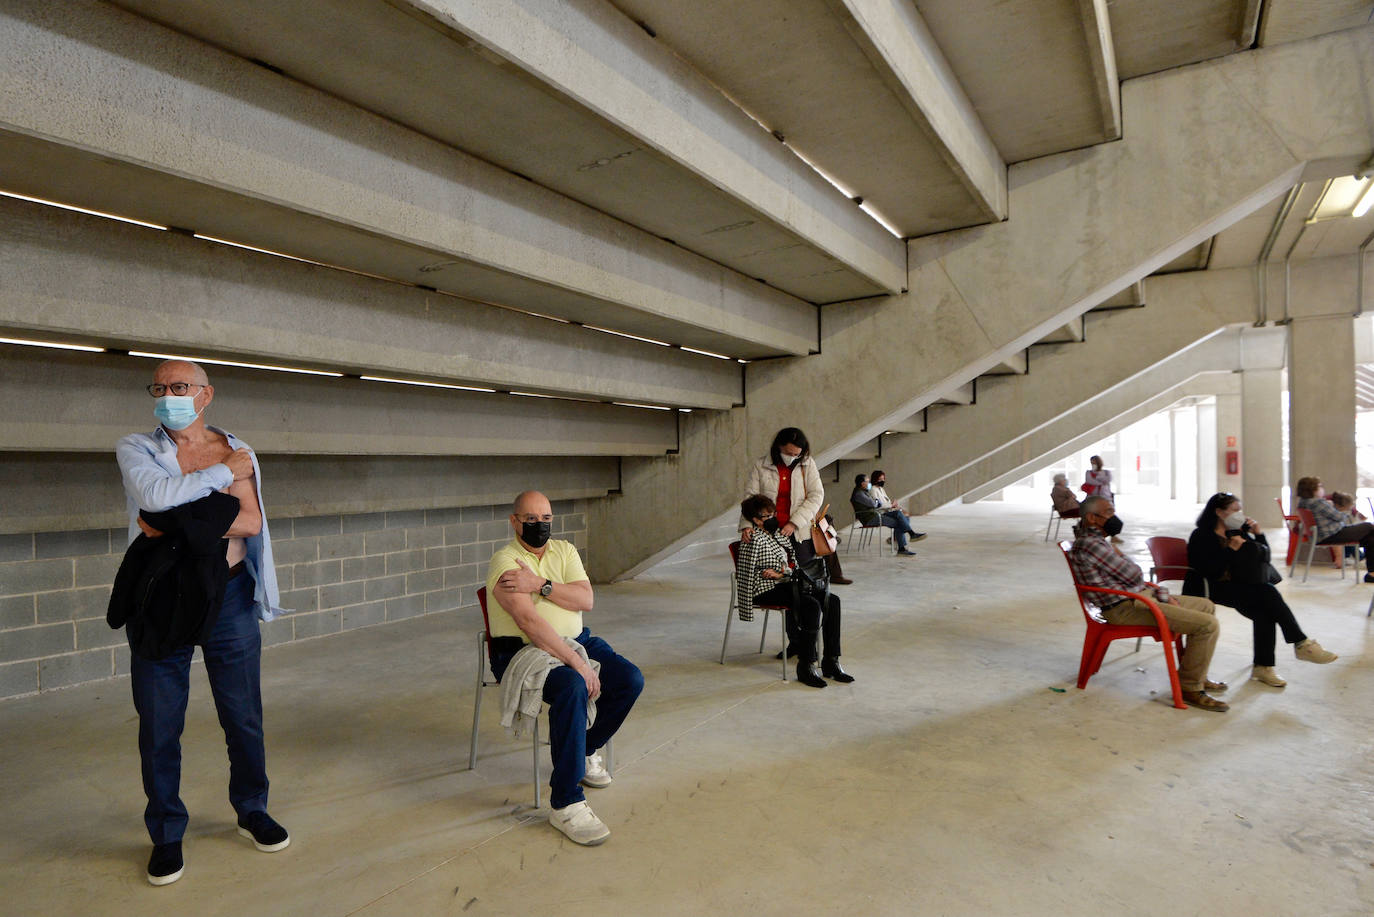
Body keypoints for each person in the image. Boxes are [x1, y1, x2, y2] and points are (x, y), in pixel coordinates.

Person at [115, 360, 288, 886]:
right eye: (161, 387)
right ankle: (166, 833)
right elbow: (155, 503)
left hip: (229, 596)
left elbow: (251, 521)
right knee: (160, 724)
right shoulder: (136, 448)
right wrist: (216, 484)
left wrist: (180, 519)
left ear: (205, 395)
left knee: (243, 714)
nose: (170, 395)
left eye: (181, 386)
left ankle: (251, 807)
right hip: (161, 600)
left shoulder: (239, 449)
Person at [485, 491, 644, 846]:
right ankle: (565, 801)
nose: (539, 526)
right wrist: (576, 664)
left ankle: (583, 748)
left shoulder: (565, 551)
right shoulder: (505, 561)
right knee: (573, 686)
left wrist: (540, 585)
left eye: (545, 519)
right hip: (524, 650)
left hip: (578, 640)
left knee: (630, 679)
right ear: (514, 522)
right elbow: (528, 621)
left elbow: (586, 599)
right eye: (530, 519)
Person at [1068, 496, 1229, 712]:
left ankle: (1195, 674)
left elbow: (1132, 580)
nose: (1114, 517)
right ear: (1091, 518)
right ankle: (1190, 687)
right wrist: (1125, 561)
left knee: (1206, 605)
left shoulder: (1098, 542)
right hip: (1124, 608)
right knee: (1207, 625)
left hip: (1136, 598)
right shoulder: (1091, 545)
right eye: (1108, 512)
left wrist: (1161, 594)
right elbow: (1132, 574)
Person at [1184, 493, 1337, 687]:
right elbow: (1209, 570)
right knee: (1267, 592)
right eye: (1235, 510)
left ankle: (1263, 668)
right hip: (1209, 586)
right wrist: (1231, 550)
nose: (1239, 514)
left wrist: (1258, 534)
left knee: (1265, 612)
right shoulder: (1201, 535)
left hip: (1237, 584)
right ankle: (1301, 643)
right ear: (1219, 512)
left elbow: (1263, 558)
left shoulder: (1235, 531)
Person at [737, 494, 852, 687]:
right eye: (767, 516)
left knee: (833, 601)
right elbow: (745, 574)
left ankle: (831, 660)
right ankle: (806, 665)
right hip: (764, 589)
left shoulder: (780, 536)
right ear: (756, 520)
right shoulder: (752, 539)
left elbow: (793, 565)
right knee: (811, 606)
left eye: (773, 513)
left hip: (786, 582)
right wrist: (746, 608)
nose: (773, 518)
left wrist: (781, 573)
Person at [740, 427, 852, 584]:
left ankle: (803, 606)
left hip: (800, 532)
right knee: (777, 578)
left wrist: (794, 523)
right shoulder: (761, 465)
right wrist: (746, 525)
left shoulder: (808, 464)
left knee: (803, 577)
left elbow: (816, 496)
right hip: (768, 532)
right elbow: (750, 498)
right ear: (779, 446)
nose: (792, 457)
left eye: (796, 454)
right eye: (788, 453)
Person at [1295, 476, 1374, 582]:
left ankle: (1372, 573)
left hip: (1321, 535)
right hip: (1332, 534)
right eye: (1320, 486)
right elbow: (1340, 517)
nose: (1322, 488)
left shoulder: (1303, 502)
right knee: (1369, 526)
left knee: (1370, 537)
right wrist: (1335, 507)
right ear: (1312, 489)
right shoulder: (1318, 503)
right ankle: (1371, 572)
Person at [867, 469, 927, 556]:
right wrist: (891, 505)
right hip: (880, 513)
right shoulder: (873, 490)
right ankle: (910, 535)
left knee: (905, 516)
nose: (882, 481)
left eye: (883, 479)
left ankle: (900, 544)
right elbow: (878, 505)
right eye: (880, 479)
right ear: (875, 479)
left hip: (887, 511)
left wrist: (893, 505)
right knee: (899, 517)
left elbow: (886, 501)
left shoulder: (881, 489)